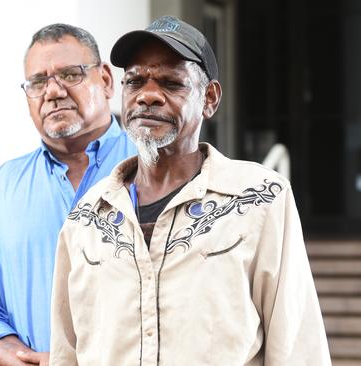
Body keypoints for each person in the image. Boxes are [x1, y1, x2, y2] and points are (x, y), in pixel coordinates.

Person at [49, 15, 331, 365]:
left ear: (209, 98)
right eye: (135, 81)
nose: (148, 96)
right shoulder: (86, 219)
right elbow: (66, 353)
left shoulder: (260, 199)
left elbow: (298, 346)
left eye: (171, 83)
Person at [0, 24, 136, 366]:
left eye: (69, 74)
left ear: (106, 80)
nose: (53, 91)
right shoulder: (0, 188)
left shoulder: (155, 170)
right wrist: (7, 353)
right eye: (37, 82)